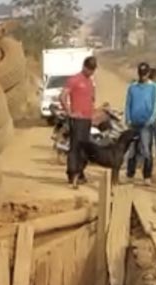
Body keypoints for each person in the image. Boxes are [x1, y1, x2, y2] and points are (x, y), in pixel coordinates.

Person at [60, 56, 98, 188]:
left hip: (87, 119)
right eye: (90, 69)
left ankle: (80, 173)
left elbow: (92, 99)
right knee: (75, 147)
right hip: (77, 119)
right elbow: (62, 96)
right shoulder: (74, 80)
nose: (91, 72)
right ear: (84, 67)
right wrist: (69, 112)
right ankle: (72, 174)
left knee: (85, 148)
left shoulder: (90, 82)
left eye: (93, 70)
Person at [125, 62, 156, 184]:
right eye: (141, 74)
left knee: (146, 149)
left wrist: (150, 120)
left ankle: (147, 175)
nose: (143, 77)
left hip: (146, 123)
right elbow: (128, 104)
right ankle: (130, 174)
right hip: (134, 122)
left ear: (148, 73)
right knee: (132, 149)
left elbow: (155, 105)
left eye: (145, 74)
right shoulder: (132, 87)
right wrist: (128, 119)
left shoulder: (154, 87)